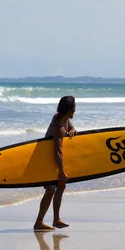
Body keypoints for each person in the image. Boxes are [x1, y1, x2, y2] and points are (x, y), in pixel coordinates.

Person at [34, 96, 77, 231]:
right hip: (48, 160)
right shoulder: (58, 127)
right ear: (70, 110)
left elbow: (70, 126)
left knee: (61, 186)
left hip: (53, 160)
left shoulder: (63, 118)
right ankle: (39, 222)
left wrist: (73, 130)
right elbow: (57, 151)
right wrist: (62, 172)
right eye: (74, 107)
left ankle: (56, 220)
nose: (76, 109)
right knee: (50, 190)